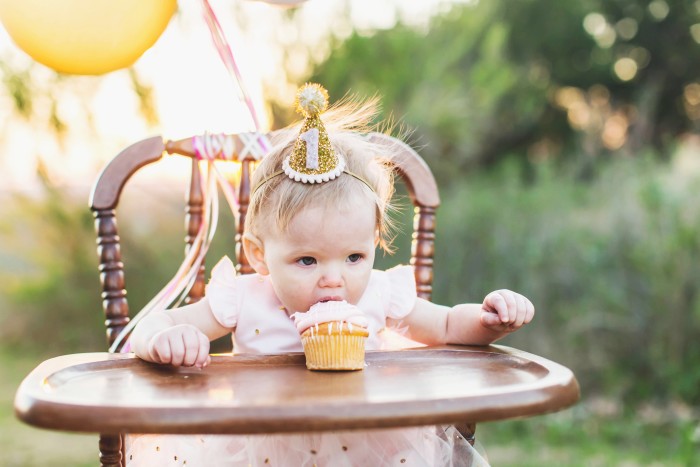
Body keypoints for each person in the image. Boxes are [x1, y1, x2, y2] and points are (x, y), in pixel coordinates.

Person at [127, 83, 535, 466]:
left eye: (355, 256)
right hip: (263, 447)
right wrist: (164, 338)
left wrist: (487, 321)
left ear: (373, 242)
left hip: (367, 446)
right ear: (259, 255)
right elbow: (152, 325)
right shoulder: (244, 298)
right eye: (308, 260)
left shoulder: (379, 294)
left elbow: (446, 325)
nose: (334, 279)